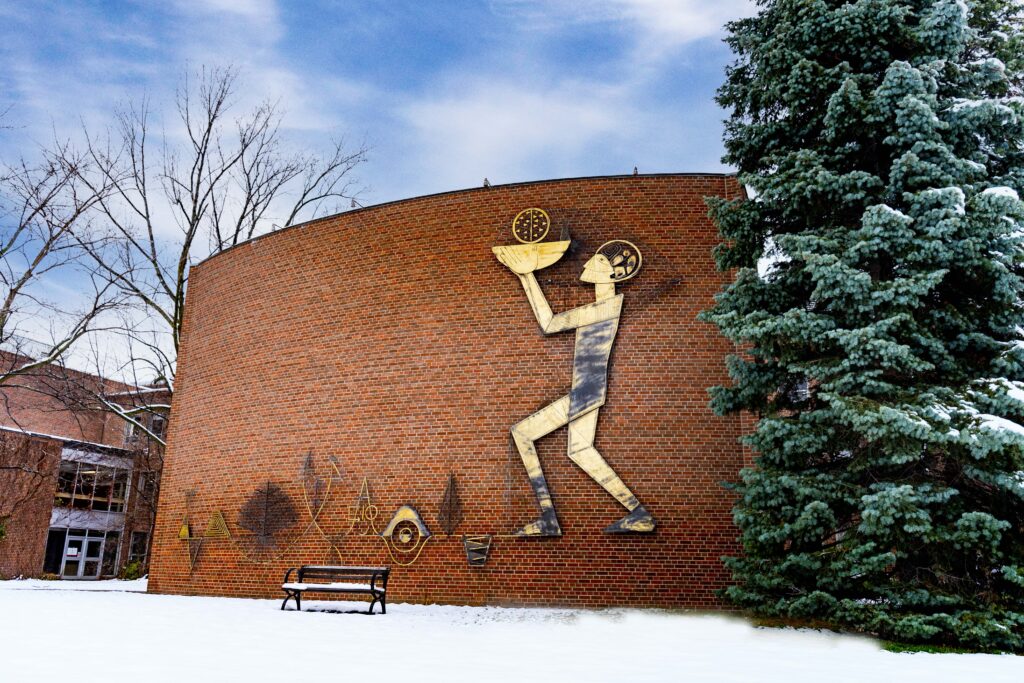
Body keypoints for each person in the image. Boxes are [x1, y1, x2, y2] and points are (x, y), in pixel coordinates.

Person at [495, 239, 656, 536]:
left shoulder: (606, 308)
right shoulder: (600, 307)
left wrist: (526, 275)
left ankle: (548, 517)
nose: (586, 264)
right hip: (589, 389)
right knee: (581, 450)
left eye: (597, 262)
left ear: (612, 274)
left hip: (586, 391)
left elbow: (549, 323)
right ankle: (638, 512)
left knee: (522, 433)